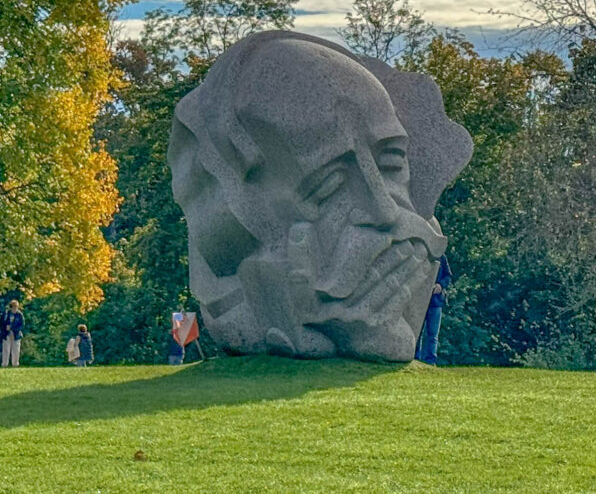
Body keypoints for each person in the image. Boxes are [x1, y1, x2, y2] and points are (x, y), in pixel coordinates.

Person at [168, 32, 471, 362]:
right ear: (245, 209)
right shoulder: (234, 245)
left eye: (391, 161)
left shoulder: (418, 227)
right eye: (327, 184)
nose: (384, 211)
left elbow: (395, 343)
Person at [416, 253, 452, 365]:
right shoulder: (421, 253)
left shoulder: (441, 256)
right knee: (417, 332)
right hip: (419, 302)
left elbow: (448, 276)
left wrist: (440, 285)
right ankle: (415, 358)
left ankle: (430, 361)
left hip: (435, 302)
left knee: (432, 334)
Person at [0, 300, 24, 367]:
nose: (15, 309)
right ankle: (4, 364)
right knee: (6, 349)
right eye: (14, 307)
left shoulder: (19, 315)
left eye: (16, 307)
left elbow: (22, 325)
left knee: (16, 350)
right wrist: (5, 328)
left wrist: (13, 328)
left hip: (16, 334)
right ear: (11, 307)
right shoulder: (6, 314)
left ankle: (15, 364)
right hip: (6, 334)